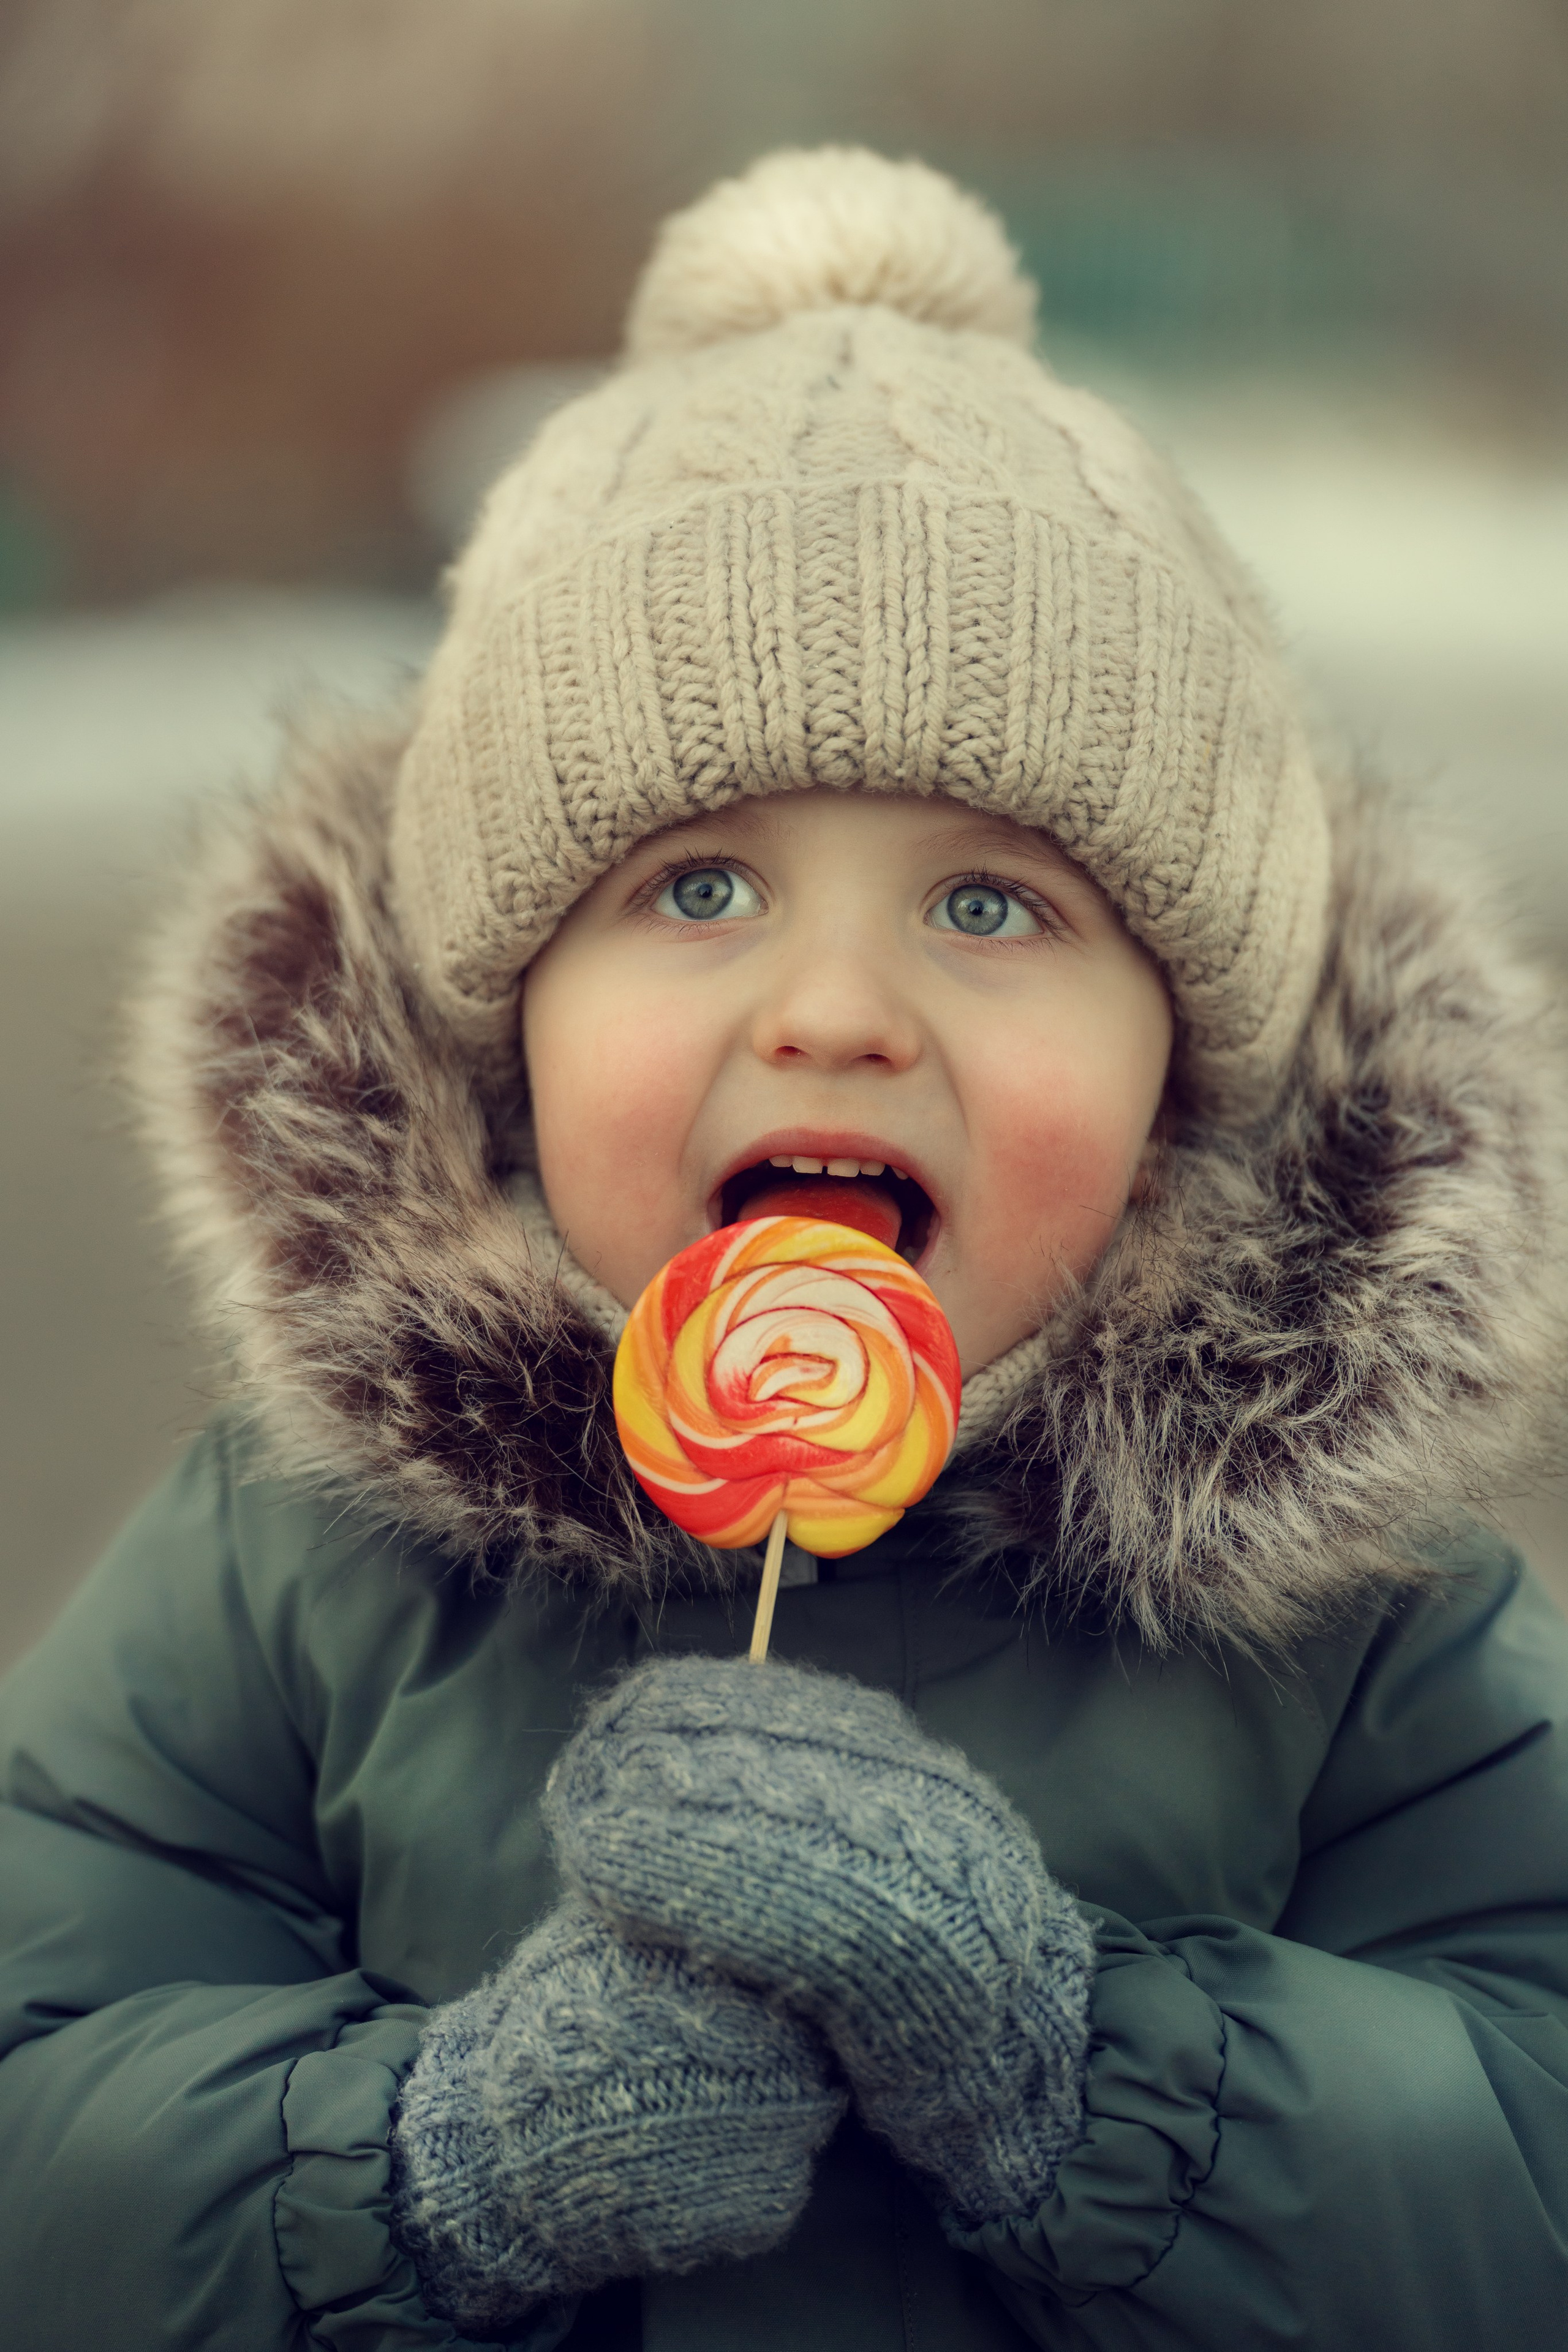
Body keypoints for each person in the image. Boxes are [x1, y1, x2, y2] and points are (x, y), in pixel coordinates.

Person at [2, 148, 1566, 2351]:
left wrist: (1079, 2073)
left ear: (1183, 1068)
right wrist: (436, 2168)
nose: (836, 1008)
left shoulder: (1374, 1633)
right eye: (700, 888)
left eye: (994, 905)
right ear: (503, 1016)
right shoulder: (277, 1575)